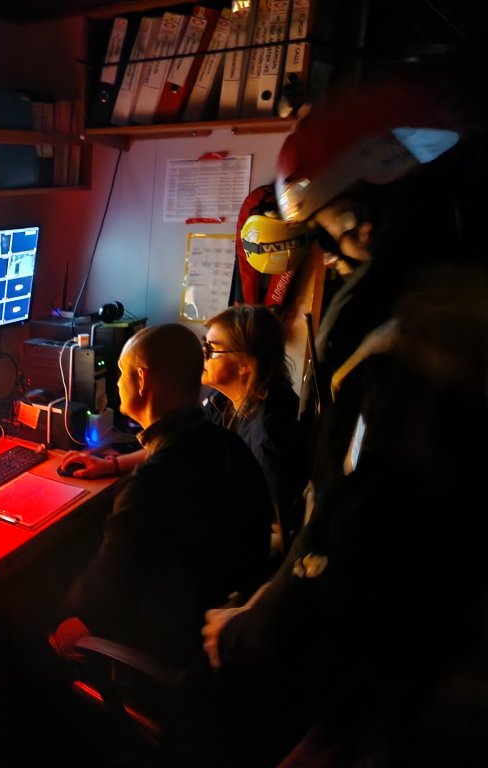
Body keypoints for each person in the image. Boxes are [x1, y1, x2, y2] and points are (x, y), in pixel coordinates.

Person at [200, 71, 488, 767]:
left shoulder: (413, 348)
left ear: (369, 211)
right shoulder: (449, 304)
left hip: (416, 691)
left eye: (329, 234)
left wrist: (248, 630)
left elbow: (358, 533)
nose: (331, 257)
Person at [50, 323, 273, 677]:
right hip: (218, 634)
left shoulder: (148, 488)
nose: (117, 381)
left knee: (45, 627)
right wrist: (112, 464)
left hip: (167, 652)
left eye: (122, 373)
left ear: (142, 380)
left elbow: (100, 595)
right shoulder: (231, 447)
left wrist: (55, 606)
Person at [201, 304, 308, 555]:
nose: (202, 354)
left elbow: (278, 534)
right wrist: (114, 465)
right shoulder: (226, 399)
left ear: (245, 365)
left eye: (212, 349)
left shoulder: (268, 433)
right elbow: (182, 436)